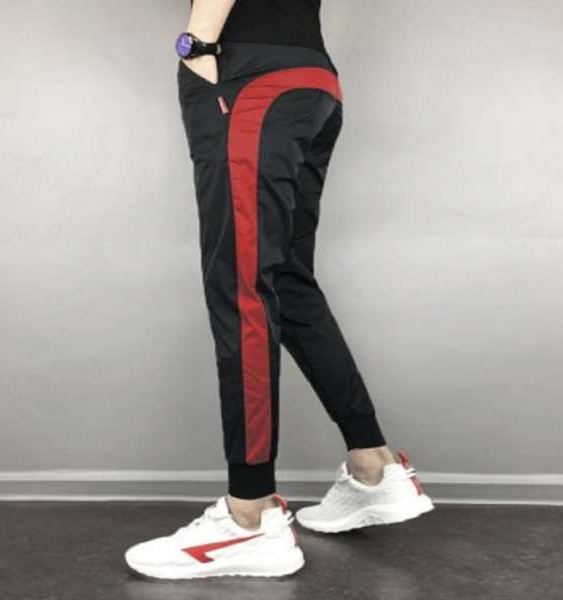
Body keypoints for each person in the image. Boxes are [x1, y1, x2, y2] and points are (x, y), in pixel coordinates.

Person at [125, 0, 433, 580]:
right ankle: (374, 466)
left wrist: (198, 46)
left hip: (250, 77)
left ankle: (249, 516)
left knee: (242, 286)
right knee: (285, 280)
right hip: (311, 79)